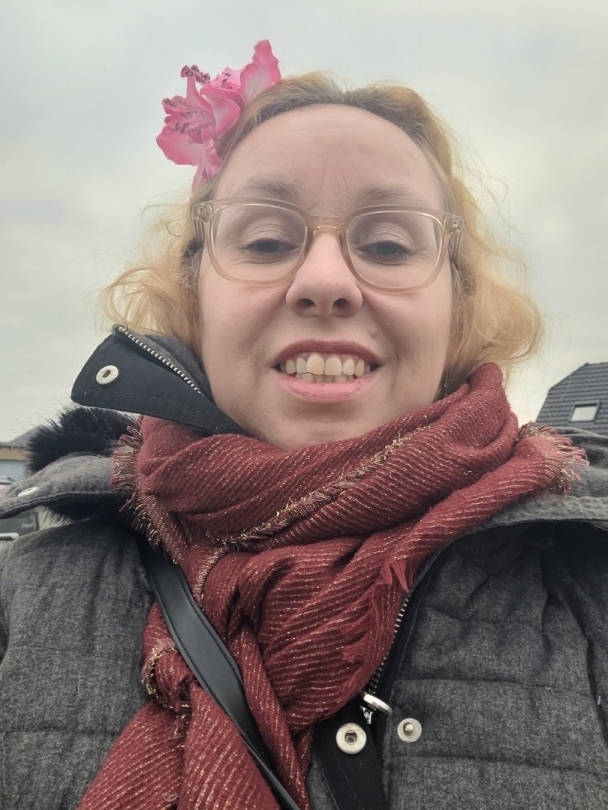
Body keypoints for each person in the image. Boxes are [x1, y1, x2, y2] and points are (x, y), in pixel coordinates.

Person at [1, 40, 607, 810]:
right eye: (265, 240)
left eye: (387, 244)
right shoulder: (30, 590)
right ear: (193, 297)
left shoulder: (587, 577)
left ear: (458, 307)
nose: (325, 281)